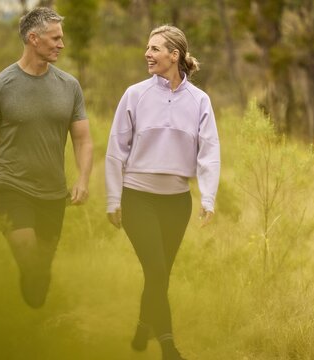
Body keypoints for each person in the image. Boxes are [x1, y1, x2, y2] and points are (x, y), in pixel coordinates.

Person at [105, 25, 220, 360]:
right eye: (147, 48)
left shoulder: (200, 100)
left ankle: (144, 324)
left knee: (160, 274)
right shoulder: (135, 94)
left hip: (177, 203)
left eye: (155, 49)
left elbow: (209, 152)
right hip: (137, 196)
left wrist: (208, 198)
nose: (148, 54)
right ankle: (169, 346)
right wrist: (113, 198)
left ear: (175, 55)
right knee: (156, 271)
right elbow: (116, 148)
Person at [0, 7, 93, 309]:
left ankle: (28, 314)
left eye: (61, 38)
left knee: (40, 274)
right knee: (27, 253)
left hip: (53, 193)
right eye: (55, 38)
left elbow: (83, 139)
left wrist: (82, 178)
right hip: (11, 186)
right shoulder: (0, 87)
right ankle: (6, 312)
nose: (61, 44)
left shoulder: (69, 86)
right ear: (33, 39)